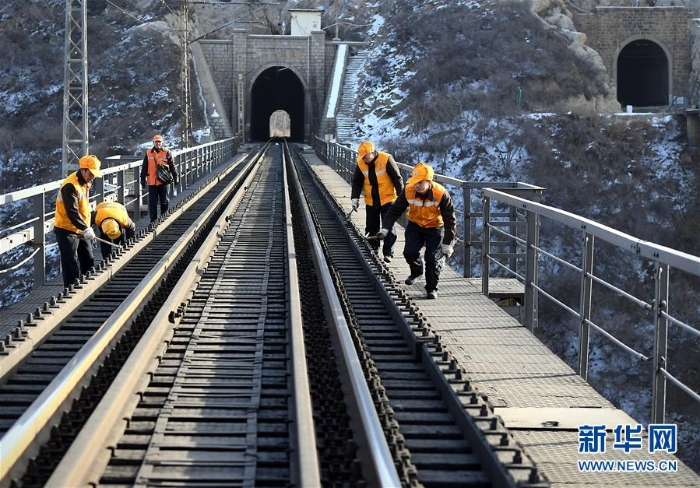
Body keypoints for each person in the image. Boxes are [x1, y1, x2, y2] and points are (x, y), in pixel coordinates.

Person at [376, 162, 456, 299]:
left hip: (435, 227)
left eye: (420, 183)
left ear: (429, 181)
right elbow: (395, 210)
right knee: (409, 252)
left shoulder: (441, 194)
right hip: (415, 225)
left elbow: (450, 220)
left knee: (432, 259)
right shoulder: (409, 190)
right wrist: (385, 228)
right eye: (415, 182)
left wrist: (448, 243)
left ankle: (431, 288)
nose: (416, 185)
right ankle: (417, 272)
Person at [54, 155, 103, 288]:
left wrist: (86, 226)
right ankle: (72, 291)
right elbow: (72, 212)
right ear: (83, 170)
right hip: (66, 229)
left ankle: (89, 287)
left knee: (88, 258)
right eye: (91, 174)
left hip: (81, 227)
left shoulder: (87, 181)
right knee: (71, 262)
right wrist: (86, 228)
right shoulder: (70, 186)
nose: (93, 177)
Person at [350, 141, 403, 262]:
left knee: (388, 226)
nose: (365, 160)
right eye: (362, 157)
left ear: (373, 153)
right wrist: (354, 198)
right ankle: (372, 250)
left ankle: (388, 252)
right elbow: (357, 182)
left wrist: (402, 198)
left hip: (388, 199)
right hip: (371, 201)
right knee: (371, 227)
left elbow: (397, 179)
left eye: (366, 157)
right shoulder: (360, 163)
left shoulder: (386, 159)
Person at [141, 134, 179, 223]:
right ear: (153, 142)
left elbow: (172, 166)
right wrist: (142, 179)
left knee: (164, 201)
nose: (158, 143)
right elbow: (144, 167)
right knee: (152, 202)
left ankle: (163, 219)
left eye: (159, 142)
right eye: (156, 142)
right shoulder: (148, 153)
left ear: (162, 142)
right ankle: (153, 220)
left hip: (164, 181)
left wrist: (176, 177)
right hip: (152, 181)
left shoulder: (167, 152)